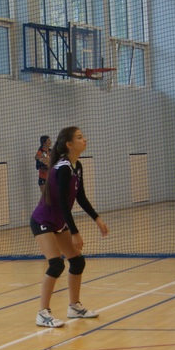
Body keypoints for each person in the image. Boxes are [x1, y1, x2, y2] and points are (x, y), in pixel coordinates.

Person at [31, 126, 110, 328]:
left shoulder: (77, 166)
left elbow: (80, 196)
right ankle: (42, 313)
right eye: (80, 137)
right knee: (56, 264)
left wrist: (97, 218)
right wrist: (74, 232)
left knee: (77, 262)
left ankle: (74, 307)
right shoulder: (63, 168)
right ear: (69, 144)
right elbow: (63, 204)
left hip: (58, 222)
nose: (85, 139)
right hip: (43, 221)